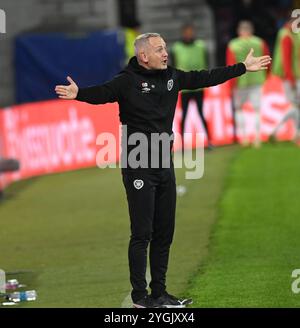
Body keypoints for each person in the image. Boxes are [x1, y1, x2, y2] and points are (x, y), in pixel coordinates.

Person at [55, 33, 271, 308]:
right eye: (159, 50)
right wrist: (79, 94)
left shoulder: (173, 77)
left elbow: (204, 77)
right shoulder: (127, 81)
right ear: (144, 56)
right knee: (142, 233)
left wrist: (241, 67)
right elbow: (103, 93)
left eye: (165, 48)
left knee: (164, 232)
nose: (165, 53)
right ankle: (139, 297)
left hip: (163, 161)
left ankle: (159, 293)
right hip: (137, 163)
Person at [227, 20, 270, 147]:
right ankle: (257, 138)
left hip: (240, 81)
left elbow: (230, 64)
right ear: (251, 30)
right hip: (257, 80)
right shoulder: (260, 42)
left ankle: (244, 138)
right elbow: (267, 59)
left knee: (239, 110)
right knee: (257, 110)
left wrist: (231, 84)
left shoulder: (233, 44)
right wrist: (266, 75)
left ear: (239, 31)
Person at [171, 23, 213, 149]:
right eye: (186, 32)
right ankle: (182, 144)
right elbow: (173, 67)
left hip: (199, 86)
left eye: (191, 31)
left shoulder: (200, 46)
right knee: (184, 116)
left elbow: (206, 63)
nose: (189, 34)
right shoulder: (176, 48)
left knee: (201, 114)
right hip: (185, 88)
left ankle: (209, 141)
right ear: (183, 33)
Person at [269, 16, 300, 144]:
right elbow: (286, 59)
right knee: (295, 106)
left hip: (293, 75)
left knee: (296, 106)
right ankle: (284, 132)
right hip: (291, 76)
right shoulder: (287, 36)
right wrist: (291, 79)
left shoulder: (289, 34)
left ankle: (293, 134)